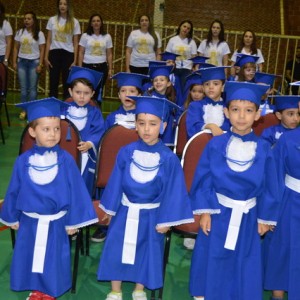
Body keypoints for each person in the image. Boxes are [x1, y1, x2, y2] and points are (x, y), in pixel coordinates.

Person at [0, 97, 98, 300]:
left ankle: (49, 291)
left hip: (56, 222)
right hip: (29, 221)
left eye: (56, 129)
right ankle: (35, 288)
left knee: (52, 258)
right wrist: (12, 216)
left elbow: (77, 192)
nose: (53, 134)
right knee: (30, 255)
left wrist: (74, 221)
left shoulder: (67, 160)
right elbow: (14, 190)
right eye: (46, 129)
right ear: (32, 132)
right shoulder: (23, 161)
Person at [97, 95, 193, 300]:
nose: (147, 129)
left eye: (153, 124)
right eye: (141, 123)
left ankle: (139, 289)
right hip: (124, 210)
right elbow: (116, 182)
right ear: (135, 125)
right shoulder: (126, 152)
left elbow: (174, 191)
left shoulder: (169, 159)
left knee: (147, 251)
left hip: (153, 214)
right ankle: (116, 290)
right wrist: (110, 209)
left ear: (163, 125)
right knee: (116, 247)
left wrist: (167, 220)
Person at [189, 81, 279, 300]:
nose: (241, 116)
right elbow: (204, 178)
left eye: (249, 111)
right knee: (215, 254)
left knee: (244, 257)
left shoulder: (265, 148)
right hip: (218, 213)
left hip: (249, 216)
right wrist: (206, 211)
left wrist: (265, 218)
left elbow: (270, 185)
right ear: (226, 112)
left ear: (258, 114)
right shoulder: (215, 145)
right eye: (236, 110)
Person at [263, 96, 300, 300]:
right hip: (290, 200)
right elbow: (275, 176)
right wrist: (271, 213)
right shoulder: (288, 139)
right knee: (282, 246)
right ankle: (278, 293)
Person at [64, 66, 105, 196]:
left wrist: (90, 143)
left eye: (86, 93)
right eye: (78, 92)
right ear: (71, 92)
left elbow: (99, 131)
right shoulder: (63, 110)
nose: (82, 97)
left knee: (81, 185)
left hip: (85, 156)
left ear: (92, 94)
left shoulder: (95, 113)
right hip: (64, 153)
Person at [44, 0, 80, 99]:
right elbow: (48, 40)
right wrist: (46, 57)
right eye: (60, 4)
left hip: (68, 54)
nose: (62, 6)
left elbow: (76, 43)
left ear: (68, 6)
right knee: (53, 82)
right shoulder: (52, 20)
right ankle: (53, 108)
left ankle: (66, 108)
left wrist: (75, 60)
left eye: (65, 4)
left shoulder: (74, 22)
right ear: (58, 6)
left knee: (67, 83)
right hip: (54, 53)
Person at [13, 11, 45, 120]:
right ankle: (24, 110)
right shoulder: (19, 32)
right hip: (21, 62)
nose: (26, 20)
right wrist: (14, 62)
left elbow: (42, 49)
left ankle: (32, 110)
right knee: (23, 88)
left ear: (34, 20)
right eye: (25, 18)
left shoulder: (39, 34)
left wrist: (40, 64)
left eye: (29, 18)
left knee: (32, 89)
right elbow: (16, 47)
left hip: (34, 63)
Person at [186, 66, 231, 139]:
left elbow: (231, 128)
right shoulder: (195, 106)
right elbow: (192, 127)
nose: (211, 87)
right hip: (201, 147)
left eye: (215, 84)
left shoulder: (228, 108)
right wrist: (210, 126)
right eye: (207, 84)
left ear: (223, 87)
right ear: (203, 88)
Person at [78, 13, 113, 102]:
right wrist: (80, 67)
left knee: (98, 91)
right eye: (94, 21)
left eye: (98, 21)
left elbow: (109, 54)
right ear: (91, 23)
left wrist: (110, 69)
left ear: (101, 23)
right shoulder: (85, 36)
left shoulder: (107, 36)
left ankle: (97, 112)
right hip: (87, 67)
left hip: (102, 68)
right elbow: (81, 52)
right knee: (88, 90)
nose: (96, 23)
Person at [145, 64, 177, 146]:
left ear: (169, 83)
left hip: (166, 134)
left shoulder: (170, 100)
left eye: (162, 80)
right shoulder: (148, 96)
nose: (158, 82)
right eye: (155, 80)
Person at [165, 20, 197, 98]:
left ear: (190, 31)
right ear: (180, 27)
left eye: (188, 28)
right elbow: (167, 55)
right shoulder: (172, 40)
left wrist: (194, 68)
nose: (185, 29)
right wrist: (169, 64)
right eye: (184, 26)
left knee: (184, 90)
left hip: (186, 69)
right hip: (174, 68)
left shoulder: (192, 42)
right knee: (174, 90)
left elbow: (194, 57)